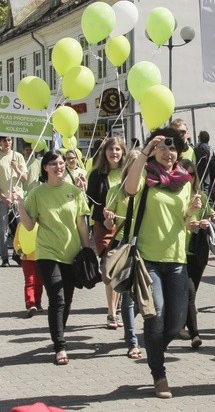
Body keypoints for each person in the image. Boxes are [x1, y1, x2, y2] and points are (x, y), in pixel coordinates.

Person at [124, 127, 201, 399]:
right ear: (154, 150)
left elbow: (183, 222)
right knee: (155, 315)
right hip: (149, 258)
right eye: (163, 148)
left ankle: (154, 349)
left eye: (173, 149)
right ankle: (159, 375)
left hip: (178, 259)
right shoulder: (145, 175)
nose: (168, 153)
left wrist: (191, 216)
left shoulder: (185, 180)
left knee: (176, 321)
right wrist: (144, 153)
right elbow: (129, 188)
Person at [13, 150, 91, 365]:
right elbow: (29, 225)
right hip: (47, 253)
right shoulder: (38, 194)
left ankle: (59, 335)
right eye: (54, 163)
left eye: (61, 163)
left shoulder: (74, 192)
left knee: (67, 301)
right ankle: (60, 346)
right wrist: (20, 202)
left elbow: (81, 224)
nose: (59, 166)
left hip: (72, 254)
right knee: (57, 299)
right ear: (45, 167)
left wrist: (87, 251)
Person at [102, 151, 143, 359]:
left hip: (146, 246)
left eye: (141, 165)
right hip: (125, 246)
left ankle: (129, 321)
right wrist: (108, 218)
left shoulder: (149, 190)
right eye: (134, 165)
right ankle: (132, 341)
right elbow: (109, 225)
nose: (138, 169)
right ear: (127, 167)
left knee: (143, 296)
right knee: (127, 296)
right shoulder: (116, 191)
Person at [86, 137, 127, 330]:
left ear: (123, 152)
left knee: (119, 270)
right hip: (104, 227)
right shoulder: (96, 175)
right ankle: (112, 312)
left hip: (124, 226)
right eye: (111, 149)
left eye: (117, 149)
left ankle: (117, 308)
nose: (114, 153)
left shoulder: (129, 173)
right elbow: (90, 202)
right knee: (109, 269)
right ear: (105, 153)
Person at [179, 158, 214, 349]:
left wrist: (206, 221)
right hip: (180, 250)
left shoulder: (201, 195)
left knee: (191, 292)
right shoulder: (175, 195)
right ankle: (195, 334)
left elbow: (209, 214)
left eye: (192, 174)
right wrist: (186, 223)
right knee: (189, 293)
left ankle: (180, 324)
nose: (189, 178)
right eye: (185, 174)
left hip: (198, 249)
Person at [0, 136, 27, 267]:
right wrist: (3, 197)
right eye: (4, 141)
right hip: (3, 200)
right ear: (0, 143)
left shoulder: (18, 156)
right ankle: (4, 258)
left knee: (21, 226)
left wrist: (16, 168)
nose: (7, 143)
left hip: (17, 197)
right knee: (4, 228)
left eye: (9, 140)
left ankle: (19, 254)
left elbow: (25, 178)